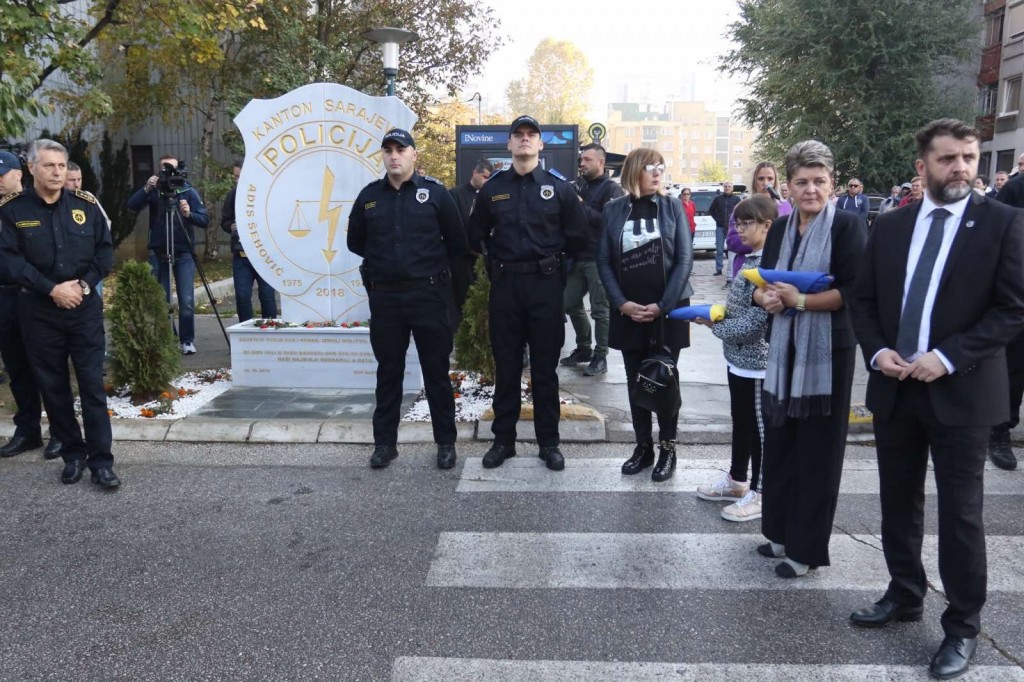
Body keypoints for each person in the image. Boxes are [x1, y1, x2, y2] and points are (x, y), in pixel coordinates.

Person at [849, 118, 1024, 680]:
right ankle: (904, 594)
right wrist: (878, 353)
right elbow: (865, 300)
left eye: (969, 158)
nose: (962, 168)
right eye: (949, 159)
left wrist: (946, 356)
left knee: (961, 514)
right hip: (896, 388)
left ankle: (963, 626)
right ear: (922, 165)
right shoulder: (892, 225)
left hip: (963, 394)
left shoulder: (1003, 224)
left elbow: (1012, 310)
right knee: (898, 501)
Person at [753, 139, 866, 579]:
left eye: (819, 181)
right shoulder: (780, 228)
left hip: (827, 355)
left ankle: (805, 550)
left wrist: (800, 302)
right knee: (780, 443)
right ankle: (778, 532)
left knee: (818, 453)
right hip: (784, 349)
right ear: (789, 186)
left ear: (832, 184)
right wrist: (767, 297)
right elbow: (763, 282)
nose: (811, 190)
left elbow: (855, 293)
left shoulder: (849, 227)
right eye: (802, 182)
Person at [466, 115, 587, 472]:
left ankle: (548, 443)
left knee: (545, 370)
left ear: (540, 144)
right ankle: (503, 441)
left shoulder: (559, 188)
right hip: (505, 288)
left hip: (545, 286)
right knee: (506, 367)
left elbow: (578, 237)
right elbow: (475, 237)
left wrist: (555, 266)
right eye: (517, 135)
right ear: (508, 145)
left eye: (530, 135)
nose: (524, 140)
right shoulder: (493, 189)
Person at [0, 139, 120, 489]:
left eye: (62, 166)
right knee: (53, 388)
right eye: (49, 165)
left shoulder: (85, 205)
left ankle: (102, 462)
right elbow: (9, 262)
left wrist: (82, 287)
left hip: (82, 310)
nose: (57, 172)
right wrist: (51, 289)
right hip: (38, 311)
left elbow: (104, 253)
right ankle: (73, 454)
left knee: (92, 386)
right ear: (31, 169)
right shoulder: (12, 211)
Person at [348, 129, 467, 470]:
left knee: (436, 374)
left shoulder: (435, 194)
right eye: (388, 150)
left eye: (401, 149)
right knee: (388, 373)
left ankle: (446, 443)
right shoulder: (369, 197)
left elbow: (457, 242)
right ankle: (385, 444)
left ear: (414, 155)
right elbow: (356, 242)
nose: (394, 156)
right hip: (386, 300)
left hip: (428, 295)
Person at [596, 148, 694, 482]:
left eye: (661, 168)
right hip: (629, 311)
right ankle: (643, 448)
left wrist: (663, 305)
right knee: (635, 380)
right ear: (634, 171)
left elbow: (684, 259)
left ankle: (668, 449)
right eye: (650, 167)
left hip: (668, 311)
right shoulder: (613, 210)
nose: (657, 173)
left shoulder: (672, 206)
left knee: (665, 380)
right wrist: (621, 303)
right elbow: (604, 262)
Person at [696, 195, 773, 520]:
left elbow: (757, 323)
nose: (739, 230)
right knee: (741, 423)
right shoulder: (749, 260)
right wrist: (717, 314)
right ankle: (737, 479)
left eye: (747, 223)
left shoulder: (767, 267)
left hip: (757, 364)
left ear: (767, 225)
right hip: (737, 360)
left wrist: (717, 325)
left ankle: (761, 492)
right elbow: (741, 310)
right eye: (737, 223)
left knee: (759, 430)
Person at [0, 150, 61, 461]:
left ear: (19, 174)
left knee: (45, 366)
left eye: (3, 173)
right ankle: (28, 430)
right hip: (3, 298)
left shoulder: (32, 206)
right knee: (17, 368)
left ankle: (61, 431)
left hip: (31, 295)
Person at [126, 154, 209, 355]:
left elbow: (204, 219)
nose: (169, 173)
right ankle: (167, 338)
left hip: (184, 251)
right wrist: (147, 188)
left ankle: (187, 340)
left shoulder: (187, 189)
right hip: (158, 249)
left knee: (186, 300)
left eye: (172, 168)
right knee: (161, 299)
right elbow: (132, 206)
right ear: (158, 170)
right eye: (165, 169)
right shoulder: (155, 190)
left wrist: (189, 214)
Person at [560, 143, 624, 376]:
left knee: (600, 309)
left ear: (600, 162)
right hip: (576, 256)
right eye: (581, 160)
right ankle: (584, 348)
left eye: (587, 159)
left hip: (599, 259)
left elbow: (610, 222)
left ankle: (601, 356)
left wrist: (581, 206)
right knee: (569, 304)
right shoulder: (580, 185)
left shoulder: (611, 190)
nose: (582, 163)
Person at [222, 161, 277, 323]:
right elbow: (224, 221)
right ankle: (245, 332)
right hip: (241, 256)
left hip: (264, 256)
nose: (238, 181)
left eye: (240, 176)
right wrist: (230, 226)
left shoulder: (266, 194)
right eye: (236, 177)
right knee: (242, 296)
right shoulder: (232, 196)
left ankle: (271, 331)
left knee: (267, 296)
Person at [725, 162, 792, 280]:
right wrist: (758, 242)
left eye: (770, 178)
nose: (766, 183)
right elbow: (732, 241)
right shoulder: (742, 207)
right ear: (755, 182)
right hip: (747, 267)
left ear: (775, 181)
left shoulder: (785, 207)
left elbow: (791, 237)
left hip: (777, 268)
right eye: (761, 179)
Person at [449, 158, 493, 310]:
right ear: (475, 172)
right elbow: (452, 227)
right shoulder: (455, 194)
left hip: (483, 260)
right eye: (485, 177)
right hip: (461, 260)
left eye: (489, 178)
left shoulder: (489, 197)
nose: (486, 181)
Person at [708, 182, 740, 276]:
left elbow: (741, 210)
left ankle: (733, 269)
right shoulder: (718, 199)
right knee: (719, 250)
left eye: (729, 186)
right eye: (725, 187)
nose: (727, 188)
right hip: (720, 227)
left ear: (732, 188)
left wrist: (737, 221)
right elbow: (711, 210)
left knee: (732, 250)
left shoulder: (737, 199)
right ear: (723, 188)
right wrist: (717, 219)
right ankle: (719, 269)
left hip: (732, 228)